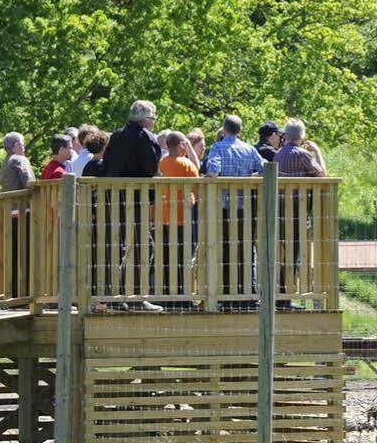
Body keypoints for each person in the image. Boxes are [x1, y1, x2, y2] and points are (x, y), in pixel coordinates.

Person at [101, 101, 164, 312]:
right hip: (137, 200)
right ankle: (136, 295)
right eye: (153, 118)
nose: (154, 123)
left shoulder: (116, 136)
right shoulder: (146, 137)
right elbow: (150, 167)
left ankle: (113, 296)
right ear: (145, 119)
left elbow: (107, 164)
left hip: (114, 198)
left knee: (114, 247)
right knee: (143, 246)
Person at [202, 115, 264, 303]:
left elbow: (213, 170)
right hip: (245, 207)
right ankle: (248, 293)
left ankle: (229, 293)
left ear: (224, 128)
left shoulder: (218, 147)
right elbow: (264, 168)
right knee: (246, 248)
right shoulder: (249, 149)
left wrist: (209, 176)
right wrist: (250, 178)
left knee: (227, 249)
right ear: (240, 130)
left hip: (225, 207)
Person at [274, 119, 325, 307]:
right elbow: (322, 175)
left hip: (280, 211)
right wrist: (317, 151)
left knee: (286, 254)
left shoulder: (278, 155)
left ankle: (281, 296)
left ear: (286, 136)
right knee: (294, 255)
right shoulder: (304, 155)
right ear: (302, 137)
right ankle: (284, 298)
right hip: (299, 212)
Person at [157, 131, 200, 299]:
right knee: (184, 259)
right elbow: (197, 186)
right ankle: (183, 297)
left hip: (165, 218)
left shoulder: (162, 163)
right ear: (182, 145)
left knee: (168, 260)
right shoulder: (187, 164)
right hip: (184, 218)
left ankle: (168, 295)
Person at [0, 133, 34, 296]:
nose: (24, 147)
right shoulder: (19, 160)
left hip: (9, 212)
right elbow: (30, 183)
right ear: (15, 145)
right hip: (23, 211)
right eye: (22, 144)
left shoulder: (5, 164)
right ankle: (26, 293)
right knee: (27, 253)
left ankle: (15, 293)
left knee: (14, 253)